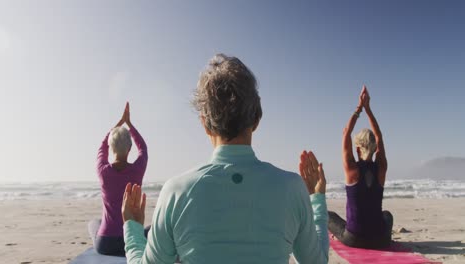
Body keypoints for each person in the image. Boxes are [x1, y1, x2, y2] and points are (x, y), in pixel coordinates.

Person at [121, 54, 329, 264]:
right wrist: (316, 199)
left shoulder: (176, 191)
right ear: (256, 119)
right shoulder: (292, 188)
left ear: (204, 123)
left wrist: (132, 228)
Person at [328, 86, 393, 249]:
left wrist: (359, 108)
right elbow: (379, 136)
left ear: (357, 148)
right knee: (387, 216)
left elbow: (345, 133)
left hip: (354, 239)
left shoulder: (352, 169)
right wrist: (369, 109)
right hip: (380, 239)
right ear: (374, 147)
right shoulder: (381, 167)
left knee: (328, 216)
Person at [88, 102, 149, 256]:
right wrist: (129, 124)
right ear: (129, 149)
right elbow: (143, 148)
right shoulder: (137, 169)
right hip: (132, 240)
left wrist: (119, 124)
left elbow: (103, 146)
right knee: (151, 229)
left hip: (106, 244)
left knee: (94, 223)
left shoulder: (102, 171)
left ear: (111, 148)